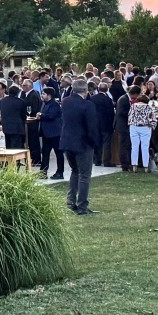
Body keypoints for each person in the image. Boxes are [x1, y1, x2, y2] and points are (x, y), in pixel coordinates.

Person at [60, 78, 100, 215]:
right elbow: (91, 128)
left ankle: (70, 202)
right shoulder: (87, 105)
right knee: (84, 175)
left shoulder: (65, 102)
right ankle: (82, 206)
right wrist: (95, 143)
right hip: (83, 143)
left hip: (67, 142)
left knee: (75, 172)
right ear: (85, 90)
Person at [127, 94, 158, 172]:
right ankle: (146, 167)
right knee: (145, 147)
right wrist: (152, 125)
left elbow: (129, 116)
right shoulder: (148, 107)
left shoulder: (133, 106)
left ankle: (134, 166)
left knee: (134, 147)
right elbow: (152, 118)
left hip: (134, 127)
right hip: (145, 127)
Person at [39, 88, 64, 179]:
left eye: (44, 94)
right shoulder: (44, 104)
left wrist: (41, 115)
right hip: (46, 134)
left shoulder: (54, 104)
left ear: (49, 95)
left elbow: (51, 116)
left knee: (59, 153)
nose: (42, 95)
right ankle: (43, 172)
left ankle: (60, 172)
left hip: (55, 133)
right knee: (45, 153)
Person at [89, 83, 116, 167]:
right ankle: (106, 161)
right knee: (106, 143)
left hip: (95, 124)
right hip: (106, 124)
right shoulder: (107, 99)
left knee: (97, 142)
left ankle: (97, 160)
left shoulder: (92, 98)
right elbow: (111, 113)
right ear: (107, 89)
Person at [0, 83, 28, 151]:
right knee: (16, 148)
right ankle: (16, 161)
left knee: (8, 147)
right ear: (17, 93)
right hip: (17, 128)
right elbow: (24, 115)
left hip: (5, 127)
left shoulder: (2, 101)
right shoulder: (21, 102)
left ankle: (9, 161)